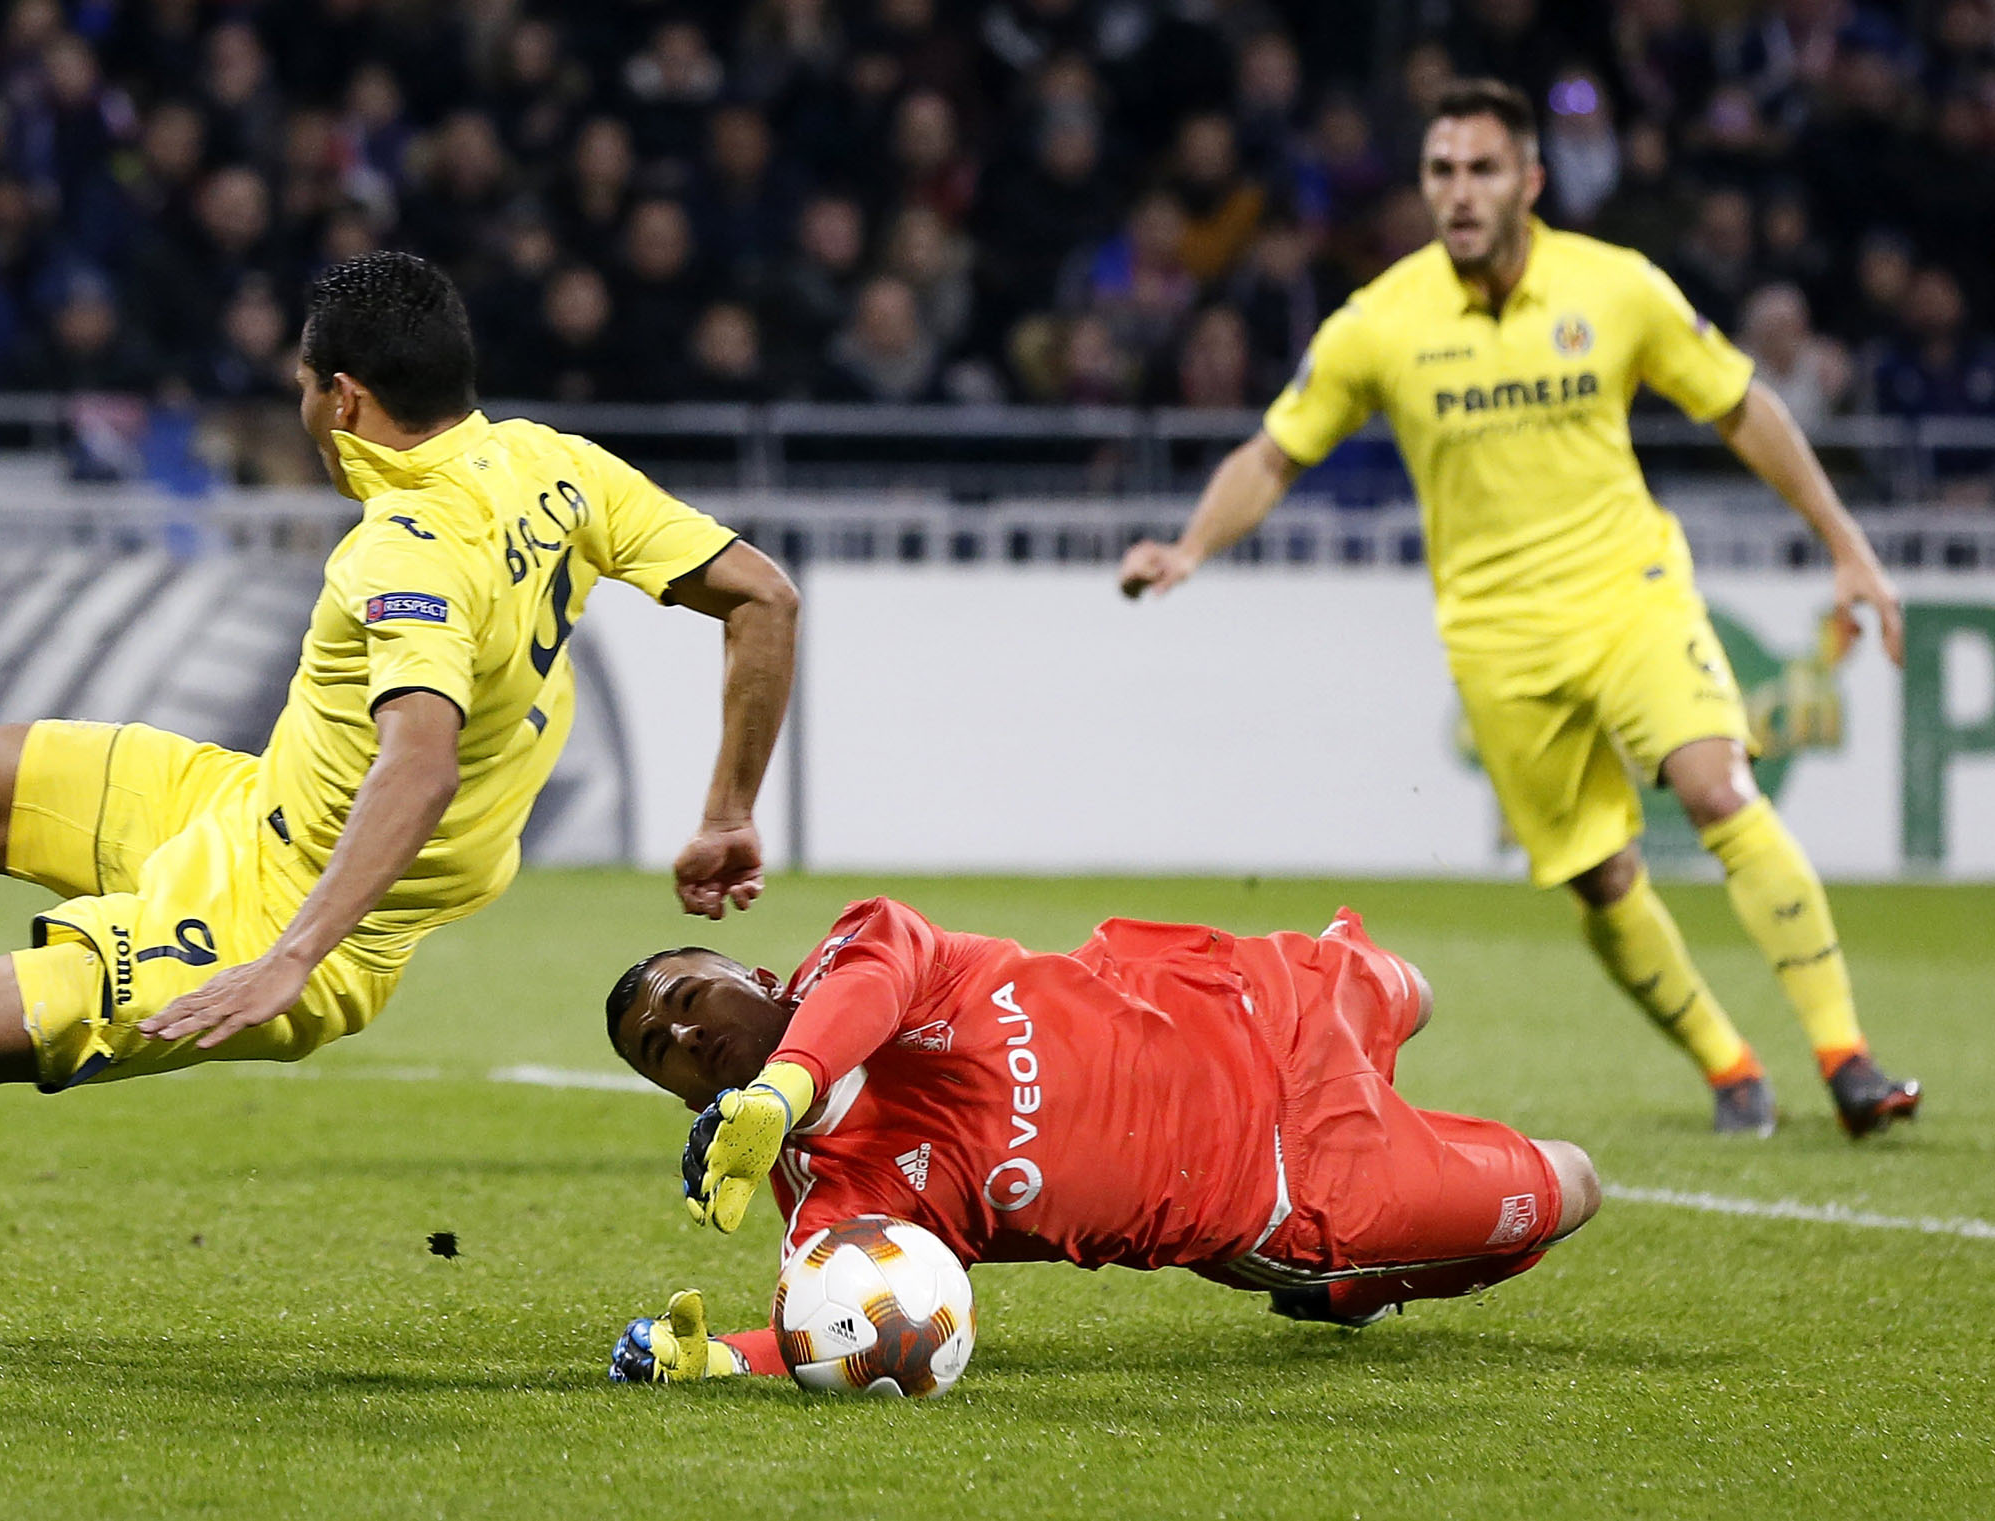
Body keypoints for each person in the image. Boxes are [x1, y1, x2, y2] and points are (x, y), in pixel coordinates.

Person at [0, 253, 801, 1361]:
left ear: (343, 397)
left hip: (281, 914)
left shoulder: (405, 547)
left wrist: (292, 954)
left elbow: (417, 759)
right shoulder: (553, 466)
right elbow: (764, 595)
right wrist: (728, 807)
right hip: (244, 805)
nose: (299, 408)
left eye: (303, 386)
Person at [1114, 81, 1917, 1140]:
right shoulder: (1380, 322)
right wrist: (1190, 546)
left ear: (1530, 181)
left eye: (1481, 169)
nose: (1458, 191)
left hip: (1629, 593)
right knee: (1599, 877)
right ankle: (1728, 1067)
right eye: (1440, 171)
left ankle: (1845, 1059)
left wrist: (1845, 545)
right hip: (1496, 637)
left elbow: (1740, 406)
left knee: (1715, 786)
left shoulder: (1616, 286)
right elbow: (1274, 452)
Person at [600, 895, 1602, 1381]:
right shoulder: (842, 1204)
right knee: (1570, 1185)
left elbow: (872, 988)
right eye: (662, 1052)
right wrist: (720, 1361)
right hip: (1289, 1185)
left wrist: (780, 1092)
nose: (687, 1035)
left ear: (761, 974)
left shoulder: (871, 951)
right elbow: (842, 1327)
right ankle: (1342, 1288)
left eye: (690, 996)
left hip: (1247, 1000)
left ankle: (1334, 1283)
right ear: (677, 1093)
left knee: (1414, 987)